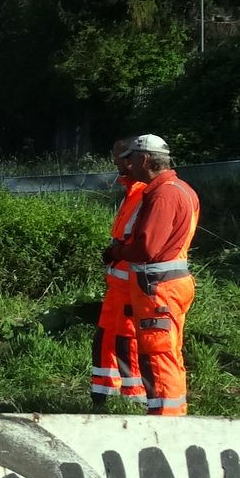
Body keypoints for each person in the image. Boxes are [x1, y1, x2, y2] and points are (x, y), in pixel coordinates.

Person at [104, 134, 200, 416]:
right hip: (169, 284)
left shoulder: (163, 194)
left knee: (158, 354)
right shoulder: (181, 189)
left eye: (131, 159)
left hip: (159, 288)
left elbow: (147, 247)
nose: (128, 166)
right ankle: (171, 413)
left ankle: (164, 420)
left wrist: (117, 253)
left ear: (144, 159)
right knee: (167, 351)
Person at [91, 139, 148, 410]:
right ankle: (103, 396)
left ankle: (134, 400)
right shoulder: (132, 191)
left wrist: (116, 253)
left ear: (136, 160)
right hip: (117, 284)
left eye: (122, 160)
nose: (118, 166)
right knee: (106, 338)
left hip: (133, 282)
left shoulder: (145, 193)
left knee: (128, 341)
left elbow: (142, 243)